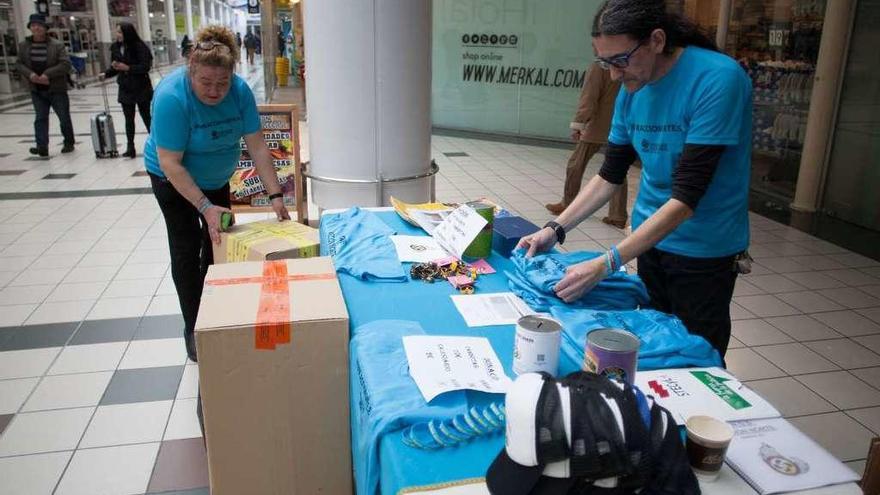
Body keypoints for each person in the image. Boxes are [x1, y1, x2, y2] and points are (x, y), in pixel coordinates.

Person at [518, 0, 752, 359]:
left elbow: (687, 196)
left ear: (657, 40)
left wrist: (606, 263)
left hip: (704, 249)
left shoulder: (717, 78)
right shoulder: (633, 88)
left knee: (696, 353)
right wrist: (555, 228)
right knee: (656, 342)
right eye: (604, 62)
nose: (613, 75)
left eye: (620, 60)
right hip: (649, 241)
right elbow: (609, 174)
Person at [144, 25, 290, 362]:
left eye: (221, 83)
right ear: (190, 71)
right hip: (173, 181)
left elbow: (258, 147)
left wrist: (276, 196)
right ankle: (194, 326)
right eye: (206, 83)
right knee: (186, 248)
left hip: (215, 177)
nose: (214, 91)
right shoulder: (171, 98)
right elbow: (171, 162)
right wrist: (204, 206)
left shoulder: (239, 93)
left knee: (217, 244)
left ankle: (218, 315)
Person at [546, 64, 628, 230]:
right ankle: (618, 215)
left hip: (597, 124)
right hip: (620, 123)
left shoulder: (599, 67)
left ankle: (568, 203)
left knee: (575, 164)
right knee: (618, 169)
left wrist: (579, 123)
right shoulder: (626, 64)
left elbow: (589, 98)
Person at [16, 14, 75, 157]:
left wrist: (47, 75)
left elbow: (65, 64)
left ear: (45, 28)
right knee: (40, 117)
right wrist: (31, 75)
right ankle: (42, 146)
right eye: (33, 25)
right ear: (30, 27)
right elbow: (19, 63)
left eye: (39, 25)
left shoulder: (57, 45)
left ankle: (68, 142)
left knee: (63, 116)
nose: (36, 28)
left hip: (55, 88)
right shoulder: (24, 45)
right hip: (36, 88)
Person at [99, 23, 153, 158]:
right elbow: (116, 67)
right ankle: (130, 147)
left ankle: (157, 144)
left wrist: (128, 68)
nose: (117, 35)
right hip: (126, 87)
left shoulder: (140, 47)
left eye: (120, 32)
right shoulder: (116, 48)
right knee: (129, 119)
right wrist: (107, 73)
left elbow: (145, 67)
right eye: (117, 32)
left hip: (141, 87)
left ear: (128, 33)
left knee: (146, 117)